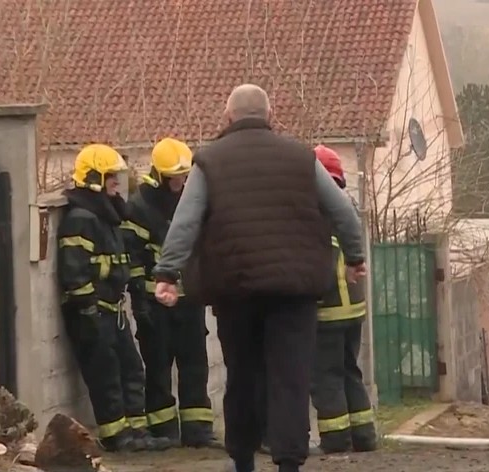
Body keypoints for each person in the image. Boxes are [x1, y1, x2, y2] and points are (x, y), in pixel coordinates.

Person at [150, 84, 366, 472]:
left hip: (235, 289)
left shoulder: (210, 161)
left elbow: (186, 220)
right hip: (295, 291)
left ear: (228, 117)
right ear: (270, 116)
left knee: (243, 373)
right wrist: (354, 257)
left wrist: (167, 271)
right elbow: (342, 210)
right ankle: (288, 462)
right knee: (291, 376)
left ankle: (244, 459)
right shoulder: (302, 158)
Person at [56, 144, 171, 452]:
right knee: (106, 375)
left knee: (132, 370)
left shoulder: (105, 216)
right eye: (111, 178)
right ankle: (116, 436)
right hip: (92, 314)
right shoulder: (81, 219)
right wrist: (88, 310)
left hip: (112, 311)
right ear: (94, 178)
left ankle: (137, 433)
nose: (117, 185)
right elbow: (74, 271)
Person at [121, 138, 219, 448]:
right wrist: (140, 300)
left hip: (189, 300)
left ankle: (198, 430)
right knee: (158, 366)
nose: (181, 182)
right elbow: (133, 257)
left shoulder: (191, 200)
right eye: (175, 177)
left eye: (184, 175)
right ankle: (164, 430)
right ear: (160, 175)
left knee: (195, 364)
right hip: (155, 303)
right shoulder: (140, 206)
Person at [310, 144, 377, 454]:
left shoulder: (317, 212)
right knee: (351, 370)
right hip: (354, 309)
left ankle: (336, 439)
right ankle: (364, 436)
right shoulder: (347, 207)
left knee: (327, 375)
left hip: (328, 309)